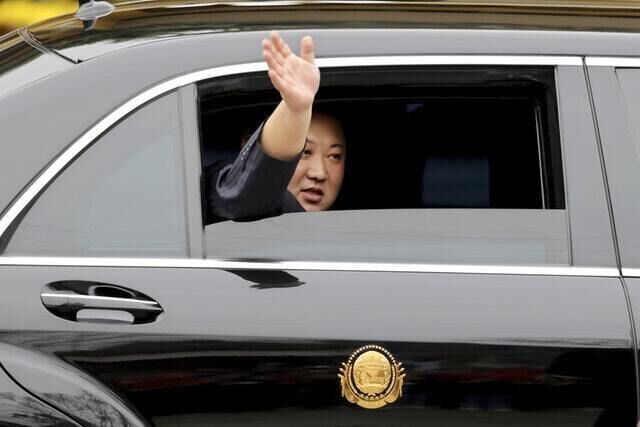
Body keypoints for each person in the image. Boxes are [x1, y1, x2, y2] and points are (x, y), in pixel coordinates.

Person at [205, 31, 346, 224]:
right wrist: (296, 110)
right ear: (248, 143)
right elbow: (246, 195)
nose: (319, 173)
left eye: (334, 156)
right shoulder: (227, 187)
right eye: (305, 152)